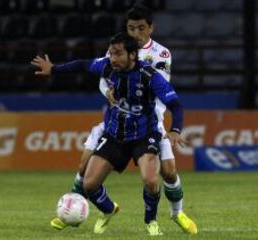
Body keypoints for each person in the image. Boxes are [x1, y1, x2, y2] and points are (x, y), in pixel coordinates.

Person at [51, 5, 198, 236]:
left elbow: (161, 94)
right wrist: (108, 90)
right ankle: (75, 209)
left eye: (140, 28)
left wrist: (174, 128)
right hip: (115, 120)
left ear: (150, 28)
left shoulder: (160, 56)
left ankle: (175, 212)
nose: (135, 34)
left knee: (167, 173)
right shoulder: (116, 54)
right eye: (131, 28)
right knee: (84, 167)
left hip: (150, 120)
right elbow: (97, 72)